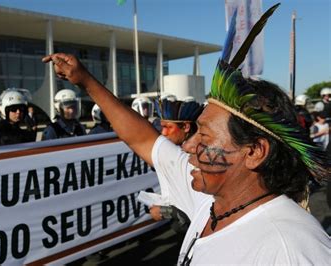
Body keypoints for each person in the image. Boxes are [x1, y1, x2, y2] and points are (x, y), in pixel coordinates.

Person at [41, 4, 330, 264]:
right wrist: (87, 81)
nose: (189, 146)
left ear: (254, 152)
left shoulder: (291, 249)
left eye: (204, 137)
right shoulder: (210, 200)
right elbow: (144, 139)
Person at [149, 100, 203, 228]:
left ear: (186, 127)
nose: (163, 133)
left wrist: (164, 211)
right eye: (162, 127)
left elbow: (196, 209)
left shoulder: (197, 158)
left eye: (168, 127)